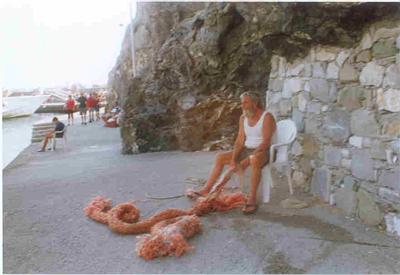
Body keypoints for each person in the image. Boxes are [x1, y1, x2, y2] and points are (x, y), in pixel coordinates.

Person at [186, 91, 276, 214]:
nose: (242, 105)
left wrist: (248, 159)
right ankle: (207, 189)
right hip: (247, 149)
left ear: (255, 103)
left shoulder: (267, 117)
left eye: (245, 102)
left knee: (254, 159)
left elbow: (266, 141)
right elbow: (240, 140)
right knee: (220, 157)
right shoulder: (243, 117)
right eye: (242, 103)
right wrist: (234, 159)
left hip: (264, 151)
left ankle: (252, 198)